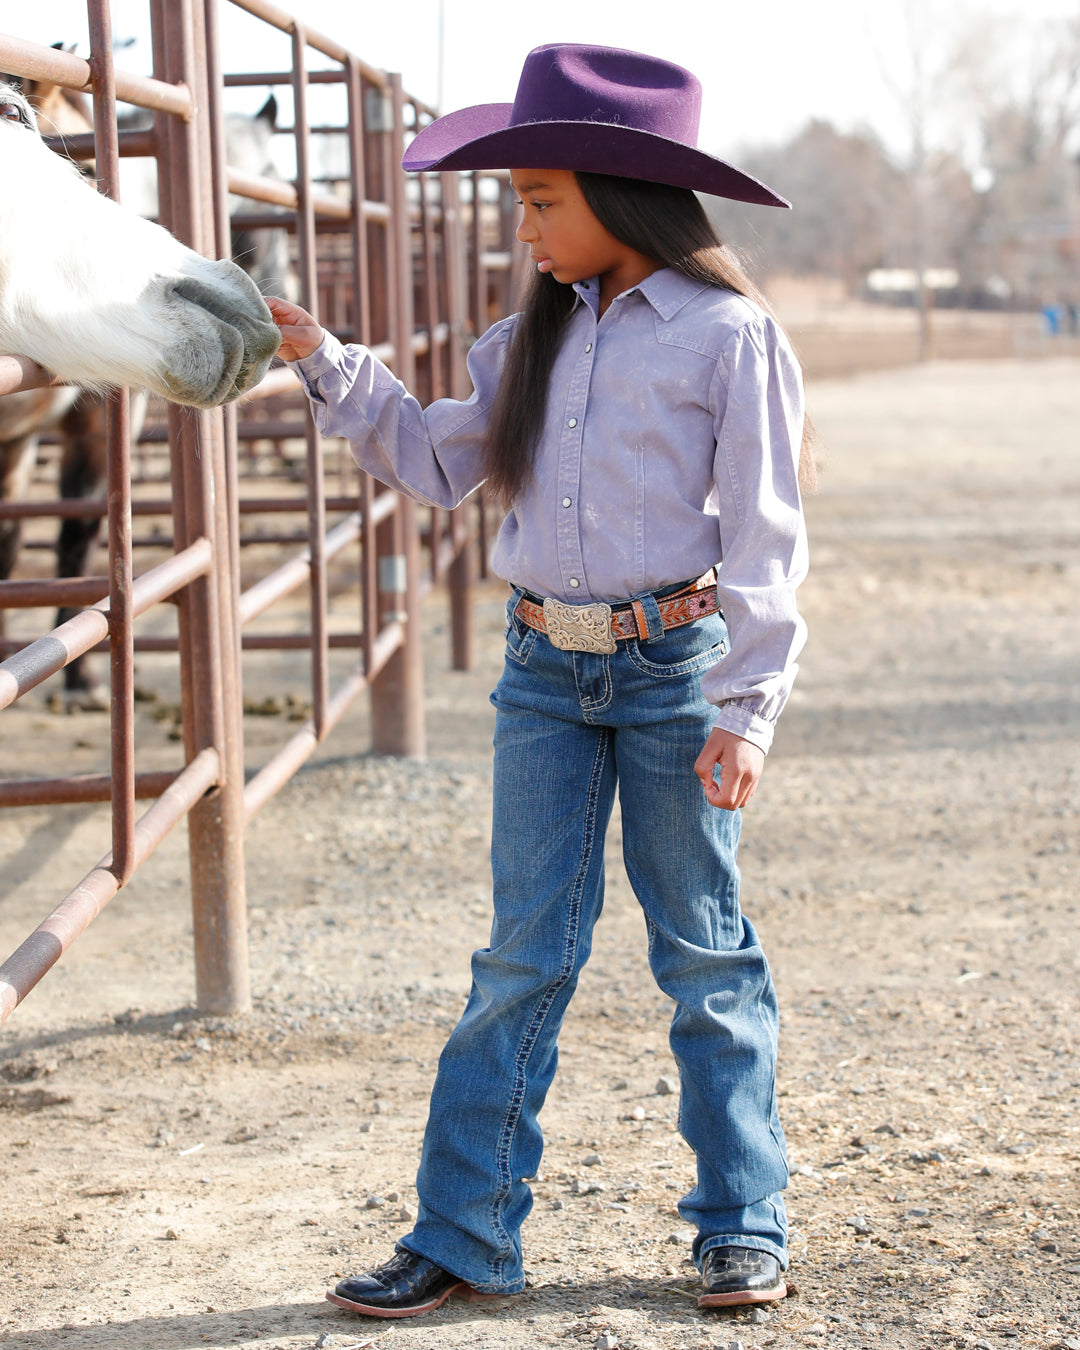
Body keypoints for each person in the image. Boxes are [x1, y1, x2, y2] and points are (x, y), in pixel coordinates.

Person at [267, 42, 811, 1319]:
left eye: (540, 200)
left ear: (622, 196)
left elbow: (769, 536)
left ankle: (741, 1223)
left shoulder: (732, 339)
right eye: (519, 202)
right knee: (519, 957)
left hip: (677, 674)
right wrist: (323, 357)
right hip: (538, 676)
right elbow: (436, 459)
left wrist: (750, 708)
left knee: (704, 953)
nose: (525, 226)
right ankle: (462, 1235)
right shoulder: (528, 340)